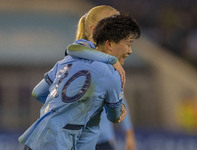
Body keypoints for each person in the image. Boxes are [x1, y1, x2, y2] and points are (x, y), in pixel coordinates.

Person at [18, 14, 140, 150]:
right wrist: (119, 111)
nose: (130, 51)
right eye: (129, 44)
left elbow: (38, 93)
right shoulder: (111, 74)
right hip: (60, 143)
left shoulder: (67, 60)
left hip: (36, 139)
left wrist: (61, 107)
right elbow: (114, 116)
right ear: (109, 44)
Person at [67, 5, 137, 150]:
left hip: (103, 140)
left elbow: (120, 98)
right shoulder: (78, 62)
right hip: (78, 142)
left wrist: (129, 133)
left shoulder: (109, 64)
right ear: (94, 30)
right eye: (114, 25)